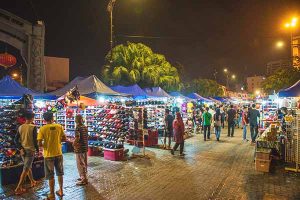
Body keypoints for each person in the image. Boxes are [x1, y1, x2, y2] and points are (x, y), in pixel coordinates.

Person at [37, 112, 66, 199]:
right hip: (58, 153)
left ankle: (52, 194)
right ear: (52, 118)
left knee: (50, 175)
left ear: (44, 119)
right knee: (60, 173)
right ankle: (61, 190)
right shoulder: (59, 126)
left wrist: (45, 145)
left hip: (48, 154)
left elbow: (39, 143)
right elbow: (64, 138)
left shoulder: (42, 129)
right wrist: (58, 142)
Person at [14, 112, 39, 195]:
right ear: (32, 118)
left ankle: (32, 181)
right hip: (30, 150)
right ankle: (18, 188)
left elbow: (15, 140)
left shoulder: (20, 127)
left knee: (28, 167)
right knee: (25, 169)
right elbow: (35, 141)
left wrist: (20, 148)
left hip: (23, 151)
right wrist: (38, 149)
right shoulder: (33, 127)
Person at [73, 115, 89, 185]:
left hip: (80, 148)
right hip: (85, 147)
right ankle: (83, 176)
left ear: (76, 120)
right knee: (84, 162)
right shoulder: (85, 127)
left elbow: (77, 137)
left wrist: (73, 143)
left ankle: (84, 179)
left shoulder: (78, 128)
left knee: (80, 163)